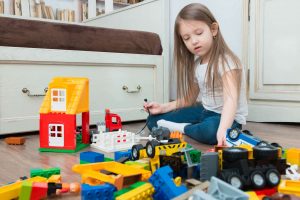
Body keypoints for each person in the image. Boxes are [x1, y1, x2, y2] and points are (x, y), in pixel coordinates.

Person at [144, 3, 248, 146]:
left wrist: (223, 129)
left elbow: (231, 100)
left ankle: (183, 129)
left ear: (213, 29)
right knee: (152, 121)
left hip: (229, 118)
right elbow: (190, 99)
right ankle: (192, 128)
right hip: (205, 111)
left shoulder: (227, 62)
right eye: (186, 38)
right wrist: (162, 107)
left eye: (199, 33)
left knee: (211, 131)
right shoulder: (197, 65)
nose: (194, 41)